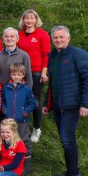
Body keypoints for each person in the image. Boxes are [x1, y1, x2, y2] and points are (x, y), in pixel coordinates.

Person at [43, 25, 88, 176]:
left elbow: (87, 80)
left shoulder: (79, 55)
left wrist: (85, 104)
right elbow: (52, 81)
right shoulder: (52, 55)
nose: (58, 40)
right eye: (55, 37)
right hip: (57, 104)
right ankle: (71, 172)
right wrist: (46, 104)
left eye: (61, 37)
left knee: (67, 138)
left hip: (72, 104)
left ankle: (73, 175)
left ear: (68, 38)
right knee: (65, 139)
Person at [17, 9, 50, 143]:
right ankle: (22, 127)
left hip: (36, 72)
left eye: (32, 18)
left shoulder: (42, 35)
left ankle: (37, 128)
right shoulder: (18, 34)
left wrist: (44, 72)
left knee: (35, 100)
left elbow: (46, 54)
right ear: (23, 20)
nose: (29, 21)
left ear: (36, 20)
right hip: (20, 72)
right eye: (27, 18)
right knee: (21, 100)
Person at [2, 63, 35, 175]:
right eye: (14, 74)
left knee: (24, 141)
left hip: (23, 121)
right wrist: (5, 110)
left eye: (19, 74)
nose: (16, 77)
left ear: (23, 75)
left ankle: (26, 167)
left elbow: (32, 103)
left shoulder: (26, 89)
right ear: (10, 75)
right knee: (10, 142)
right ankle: (12, 165)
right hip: (10, 122)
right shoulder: (6, 87)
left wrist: (25, 113)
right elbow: (2, 101)